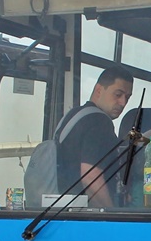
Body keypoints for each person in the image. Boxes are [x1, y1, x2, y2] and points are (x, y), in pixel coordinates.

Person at [56, 66, 133, 207]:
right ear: (99, 90)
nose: (123, 103)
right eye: (118, 94)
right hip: (87, 214)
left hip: (63, 209)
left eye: (127, 97)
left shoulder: (74, 116)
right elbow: (90, 176)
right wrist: (111, 216)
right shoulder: (100, 122)